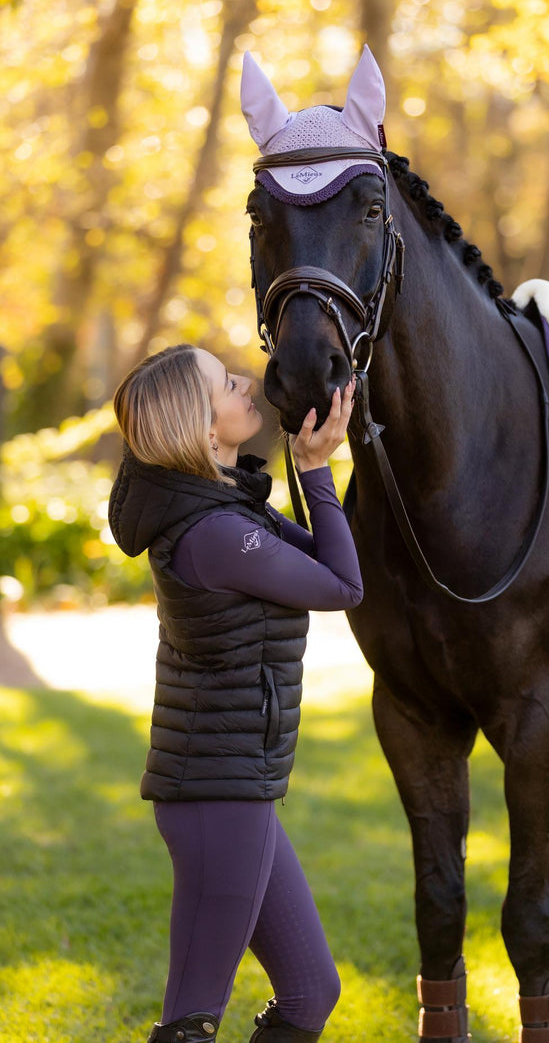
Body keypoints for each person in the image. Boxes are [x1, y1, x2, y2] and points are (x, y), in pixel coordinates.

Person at [108, 343, 363, 1043]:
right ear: (200, 420)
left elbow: (322, 561)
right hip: (215, 797)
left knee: (310, 991)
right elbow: (342, 585)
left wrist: (311, 469)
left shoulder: (220, 506)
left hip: (237, 786)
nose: (247, 383)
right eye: (226, 383)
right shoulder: (216, 532)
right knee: (191, 1020)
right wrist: (314, 470)